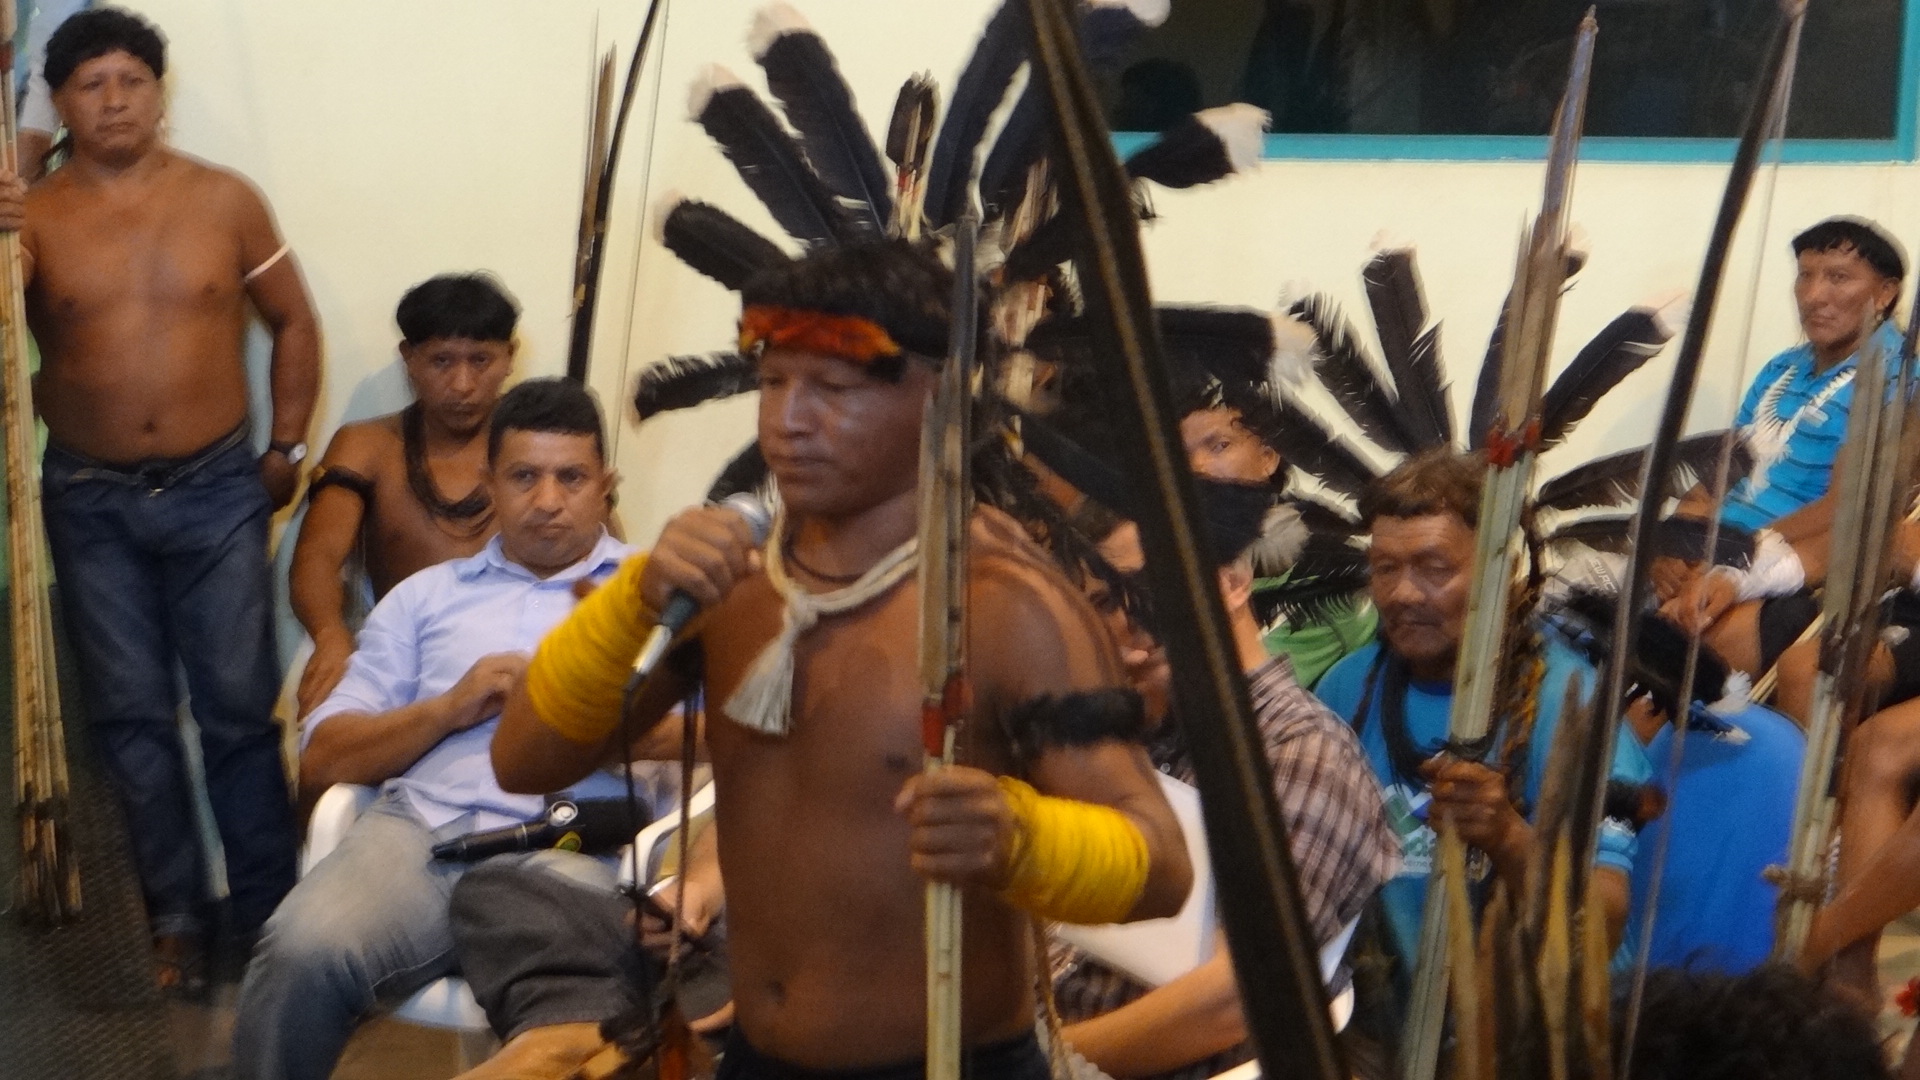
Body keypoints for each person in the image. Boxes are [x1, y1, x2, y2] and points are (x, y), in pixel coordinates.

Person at [492, 239, 1192, 1079]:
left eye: (831, 388)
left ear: (937, 393)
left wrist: (1023, 839)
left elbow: (1163, 868)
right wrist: (632, 602)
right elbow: (523, 762)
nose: (787, 421)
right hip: (756, 1057)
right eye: (774, 382)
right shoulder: (728, 583)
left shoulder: (1006, 606)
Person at [0, 6, 321, 987]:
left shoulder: (226, 199)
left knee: (237, 713)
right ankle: (175, 916)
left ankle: (265, 915)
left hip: (218, 489)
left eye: (130, 81)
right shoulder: (32, 216)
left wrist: (286, 446)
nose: (113, 101)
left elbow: (295, 320)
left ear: (157, 91)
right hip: (88, 499)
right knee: (132, 720)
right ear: (60, 104)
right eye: (90, 86)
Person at [230, 379, 672, 1080]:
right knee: (299, 951)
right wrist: (449, 708)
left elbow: (735, 733)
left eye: (571, 477)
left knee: (573, 1033)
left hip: (574, 845)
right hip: (422, 836)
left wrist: (594, 721)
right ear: (489, 485)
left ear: (605, 486)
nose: (548, 500)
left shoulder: (659, 596)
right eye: (523, 477)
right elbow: (324, 757)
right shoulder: (425, 597)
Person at [1052, 481, 1398, 1080]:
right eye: (1104, 602)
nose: (1130, 619)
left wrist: (1033, 1059)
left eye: (1152, 585)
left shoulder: (1299, 751)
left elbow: (1237, 997)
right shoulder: (1122, 739)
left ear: (1232, 582)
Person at [1313, 449, 1651, 998]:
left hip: (1548, 1024)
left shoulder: (1570, 703)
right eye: (1385, 568)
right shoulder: (1345, 689)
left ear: (1501, 571)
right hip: (1391, 1021)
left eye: (1434, 568)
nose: (1402, 593)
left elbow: (1602, 927)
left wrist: (1508, 837)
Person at [1658, 218, 1909, 697]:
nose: (1814, 295)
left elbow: (1843, 509)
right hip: (1719, 552)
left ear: (1885, 293)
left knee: (1665, 652)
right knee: (1576, 608)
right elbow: (1711, 482)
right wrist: (1676, 541)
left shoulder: (1895, 379)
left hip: (1791, 570)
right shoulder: (1782, 368)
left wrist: (1730, 558)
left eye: (1838, 277)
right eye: (1804, 275)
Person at [290, 273, 518, 717]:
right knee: (325, 745)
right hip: (406, 663)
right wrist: (331, 635)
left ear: (509, 356)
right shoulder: (367, 445)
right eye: (441, 361)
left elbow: (606, 558)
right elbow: (318, 555)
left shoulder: (543, 449)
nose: (462, 384)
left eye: (480, 360)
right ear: (408, 357)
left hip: (523, 659)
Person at [1548, 597, 1803, 975]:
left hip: (1662, 984)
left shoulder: (1639, 765)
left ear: (1644, 701)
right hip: (1756, 985)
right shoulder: (1770, 738)